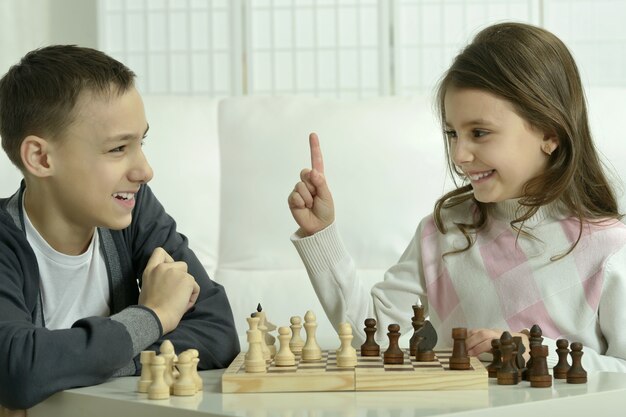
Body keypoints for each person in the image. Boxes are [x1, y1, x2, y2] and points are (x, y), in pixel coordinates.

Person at [287, 22, 626, 372]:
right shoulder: (443, 232)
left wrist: (538, 354)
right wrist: (320, 234)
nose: (459, 154)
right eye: (452, 133)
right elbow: (368, 335)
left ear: (550, 134)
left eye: (479, 133)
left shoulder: (610, 248)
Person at [0, 45, 239, 411]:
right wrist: (153, 316)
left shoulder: (133, 209)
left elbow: (219, 332)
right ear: (41, 158)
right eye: (117, 149)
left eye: (140, 143)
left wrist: (75, 364)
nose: (144, 171)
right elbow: (17, 370)